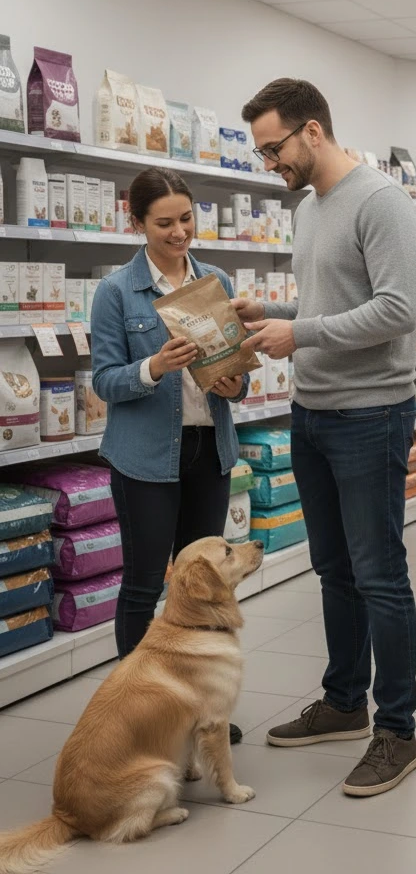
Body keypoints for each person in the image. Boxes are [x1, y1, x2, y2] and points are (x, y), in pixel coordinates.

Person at [233, 78, 416, 797]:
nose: (269, 163)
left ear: (312, 131)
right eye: (261, 152)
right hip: (311, 413)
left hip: (370, 415)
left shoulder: (382, 202)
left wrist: (301, 332)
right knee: (334, 570)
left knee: (380, 575)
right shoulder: (309, 208)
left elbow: (398, 311)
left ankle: (397, 731)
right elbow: (329, 304)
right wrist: (273, 313)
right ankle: (345, 701)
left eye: (273, 148)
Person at [90, 167, 249, 743]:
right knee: (142, 587)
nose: (179, 232)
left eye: (186, 218)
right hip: (145, 460)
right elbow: (105, 381)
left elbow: (237, 371)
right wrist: (154, 367)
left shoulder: (216, 281)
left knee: (203, 586)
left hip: (209, 451)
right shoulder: (116, 292)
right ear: (136, 222)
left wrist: (236, 384)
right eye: (164, 223)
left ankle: (200, 712)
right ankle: (139, 717)